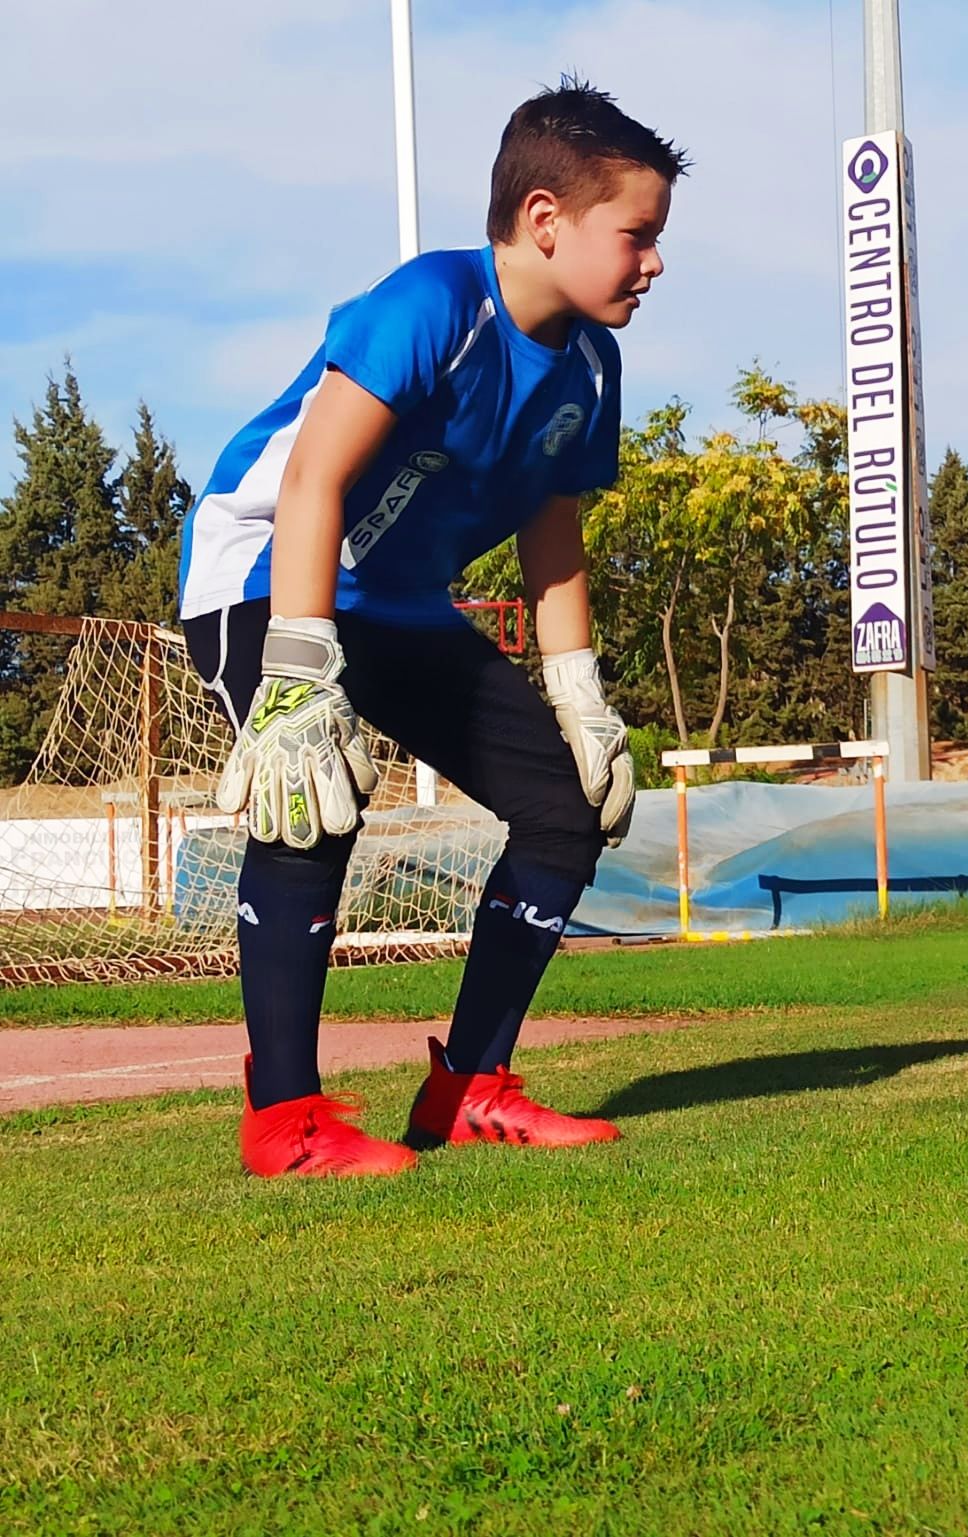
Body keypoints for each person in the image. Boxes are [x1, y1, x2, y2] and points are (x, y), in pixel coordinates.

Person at [177, 80, 686, 1177]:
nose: (654, 262)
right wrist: (299, 674)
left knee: (563, 809)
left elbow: (553, 536)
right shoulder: (431, 305)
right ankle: (284, 1122)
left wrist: (581, 697)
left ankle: (468, 1089)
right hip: (263, 573)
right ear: (545, 220)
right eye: (637, 235)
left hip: (400, 606)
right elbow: (312, 481)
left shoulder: (591, 368)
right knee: (310, 796)